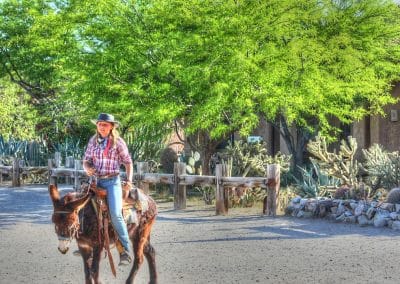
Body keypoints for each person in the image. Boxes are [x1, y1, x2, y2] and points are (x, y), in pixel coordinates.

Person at [83, 113, 133, 266]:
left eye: (105, 124)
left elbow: (128, 163)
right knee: (81, 208)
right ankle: (86, 245)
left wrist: (129, 181)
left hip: (112, 182)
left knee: (116, 214)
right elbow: (86, 160)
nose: (101, 127)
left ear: (111, 127)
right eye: (99, 124)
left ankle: (125, 250)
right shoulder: (93, 141)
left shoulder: (118, 142)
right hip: (96, 181)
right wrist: (87, 168)